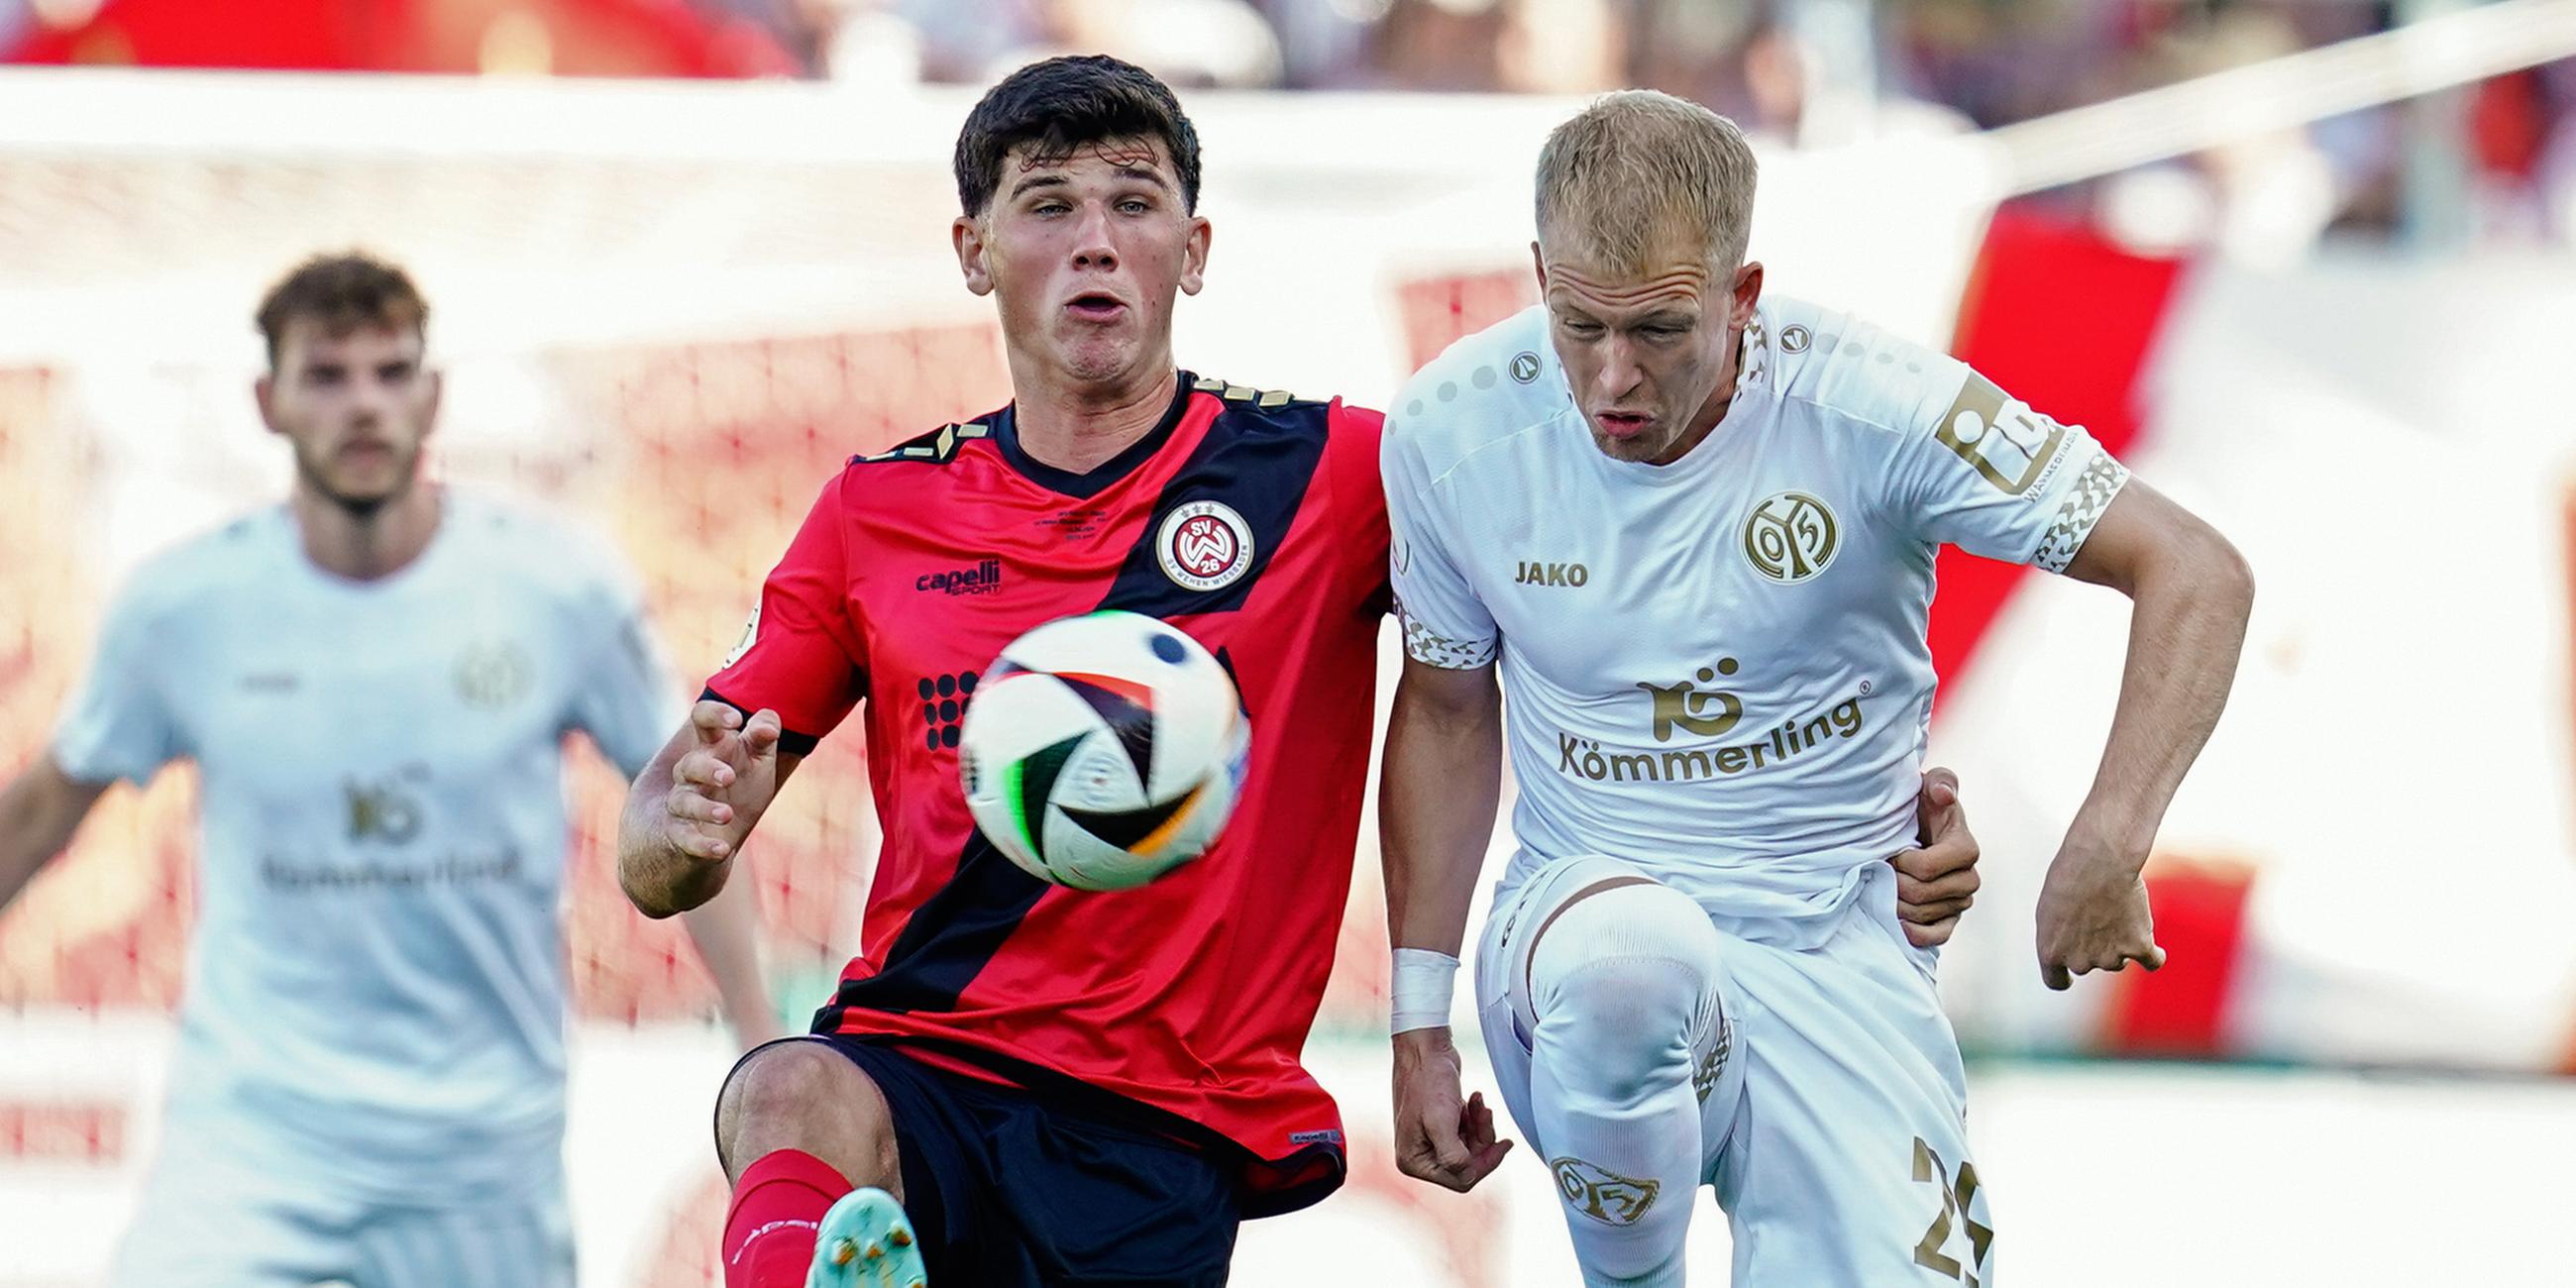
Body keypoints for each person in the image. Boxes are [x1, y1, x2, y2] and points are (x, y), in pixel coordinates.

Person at [616, 56, 1986, 1288]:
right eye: (1047, 207)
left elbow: (1616, 610)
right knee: (787, 1086)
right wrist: (681, 832)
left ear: (1196, 250)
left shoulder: (1340, 474)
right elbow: (665, 841)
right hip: (921, 1060)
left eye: (1135, 204)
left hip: (1159, 1124)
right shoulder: (876, 511)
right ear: (973, 250)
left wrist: (1859, 804)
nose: (1096, 243)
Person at [1378, 91, 2254, 1287]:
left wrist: (2109, 838)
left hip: (1835, 943)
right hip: (1578, 942)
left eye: (1660, 331)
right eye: (1577, 324)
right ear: (1538, 274)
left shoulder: (1875, 406)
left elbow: (2194, 567)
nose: (1610, 378)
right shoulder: (1450, 427)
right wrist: (1417, 1022)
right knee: (1635, 958)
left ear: (1742, 296)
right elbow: (1442, 703)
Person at [0, 253, 776, 1287]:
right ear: (268, 402)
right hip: (252, 1150)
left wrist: (766, 1045)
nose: (362, 403)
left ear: (432, 393)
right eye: (327, 375)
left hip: (481, 1156)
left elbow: (689, 814)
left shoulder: (556, 588)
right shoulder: (184, 606)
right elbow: (47, 807)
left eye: (388, 370)